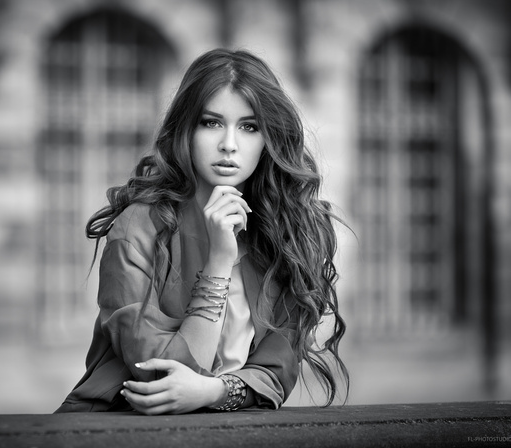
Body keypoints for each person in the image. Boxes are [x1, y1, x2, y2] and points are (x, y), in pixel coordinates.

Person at [55, 48, 348, 414]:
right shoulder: (139, 226)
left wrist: (215, 392)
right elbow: (158, 375)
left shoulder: (290, 231)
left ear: (269, 137)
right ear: (186, 130)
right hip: (116, 428)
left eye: (249, 127)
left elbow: (276, 373)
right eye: (211, 122)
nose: (229, 144)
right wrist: (219, 261)